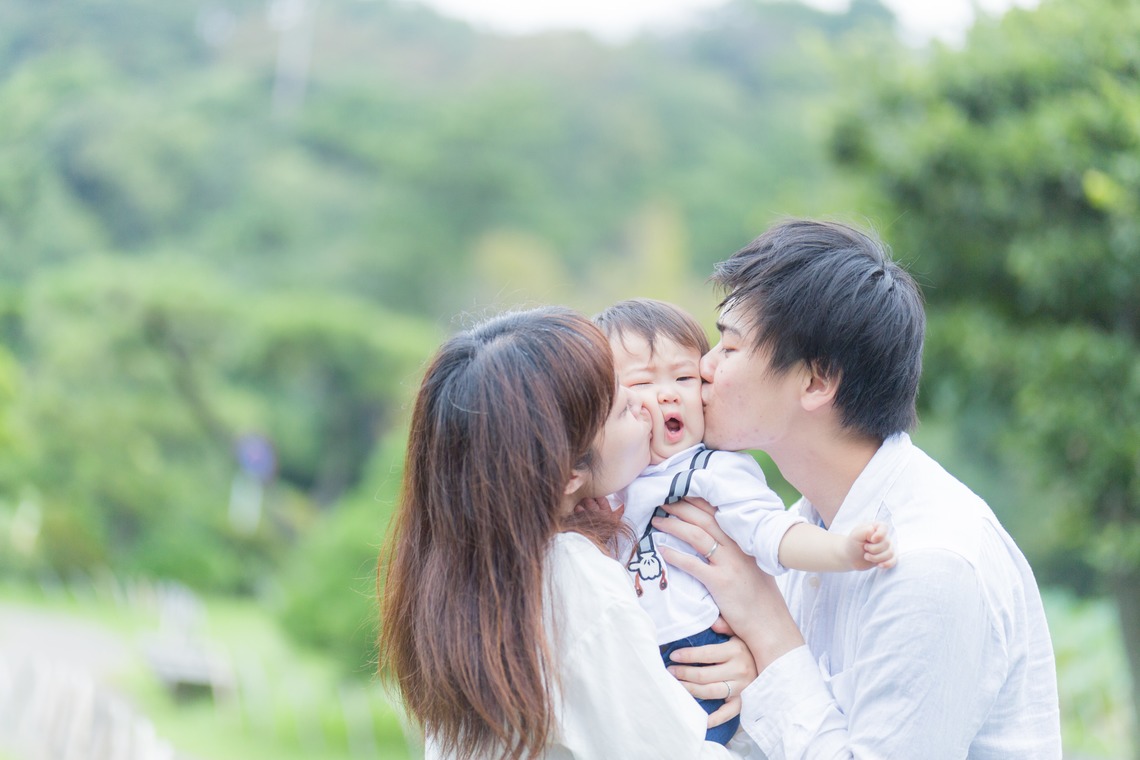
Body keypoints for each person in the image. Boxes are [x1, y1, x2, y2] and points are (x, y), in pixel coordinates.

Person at [655, 219, 1062, 758]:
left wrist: (768, 630)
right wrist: (749, 683)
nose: (703, 369)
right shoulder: (811, 525)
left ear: (817, 381)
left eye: (729, 348)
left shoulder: (930, 564)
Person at [377, 307, 765, 760]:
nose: (649, 404)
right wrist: (764, 681)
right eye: (624, 406)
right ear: (566, 475)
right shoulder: (570, 576)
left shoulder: (467, 580)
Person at [592, 298, 895, 745]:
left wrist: (842, 549)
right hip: (626, 659)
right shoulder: (602, 486)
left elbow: (772, 532)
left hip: (696, 654)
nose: (669, 393)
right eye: (641, 383)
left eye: (684, 377)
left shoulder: (712, 472)